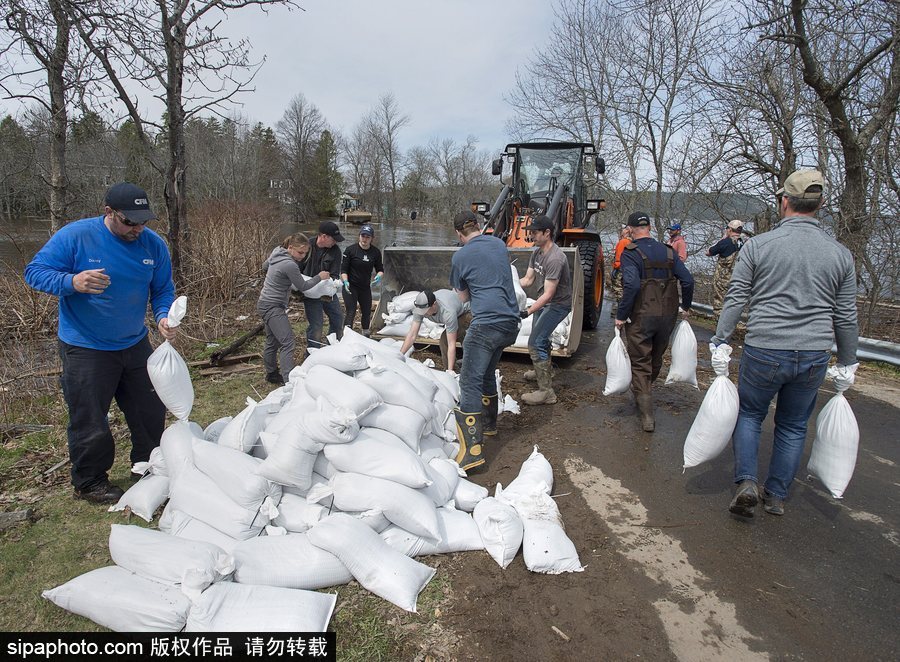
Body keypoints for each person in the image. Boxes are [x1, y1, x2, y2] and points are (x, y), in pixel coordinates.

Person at [711, 169, 858, 518]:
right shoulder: (839, 255)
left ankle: (747, 481)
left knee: (749, 414)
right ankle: (776, 495)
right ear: (820, 204)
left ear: (784, 201)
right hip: (813, 355)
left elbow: (736, 297)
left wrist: (720, 339)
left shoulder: (759, 246)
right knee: (793, 425)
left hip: (765, 349)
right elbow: (845, 315)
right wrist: (848, 360)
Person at [23, 182, 176, 504]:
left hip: (134, 343)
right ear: (109, 212)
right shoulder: (76, 236)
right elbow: (34, 272)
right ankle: (90, 482)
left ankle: (147, 466)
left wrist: (163, 316)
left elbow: (162, 289)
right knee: (90, 417)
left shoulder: (153, 245)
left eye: (143, 221)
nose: (137, 228)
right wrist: (71, 281)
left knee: (149, 409)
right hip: (86, 347)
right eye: (129, 221)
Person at [449, 210, 520, 471]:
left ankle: (472, 451)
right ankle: (489, 425)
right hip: (510, 324)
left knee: (469, 382)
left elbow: (464, 298)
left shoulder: (460, 256)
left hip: (486, 324)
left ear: (459, 233)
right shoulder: (500, 244)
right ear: (479, 226)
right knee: (488, 371)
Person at [616, 211, 694, 432]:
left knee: (640, 361)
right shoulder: (668, 251)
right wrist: (685, 307)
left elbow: (630, 286)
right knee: (656, 356)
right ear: (649, 227)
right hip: (667, 315)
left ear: (630, 229)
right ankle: (646, 391)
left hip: (642, 314)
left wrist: (622, 315)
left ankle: (646, 414)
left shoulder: (631, 252)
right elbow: (687, 280)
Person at [258, 233, 331, 385]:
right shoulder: (289, 264)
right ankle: (289, 381)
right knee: (288, 342)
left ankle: (271, 374)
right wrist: (319, 277)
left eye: (305, 253)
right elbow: (302, 286)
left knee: (273, 341)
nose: (302, 256)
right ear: (290, 247)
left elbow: (265, 266)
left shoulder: (277, 252)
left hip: (264, 302)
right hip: (273, 306)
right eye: (300, 252)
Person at [518, 215, 572, 405]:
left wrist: (528, 311)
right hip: (546, 302)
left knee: (535, 342)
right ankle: (543, 370)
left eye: (534, 232)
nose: (531, 235)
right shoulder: (537, 253)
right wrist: (510, 285)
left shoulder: (555, 258)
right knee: (541, 337)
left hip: (558, 305)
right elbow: (528, 280)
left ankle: (546, 392)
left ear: (547, 233)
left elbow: (549, 294)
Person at [300, 220, 345, 353]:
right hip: (310, 292)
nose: (335, 242)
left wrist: (334, 283)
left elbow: (335, 273)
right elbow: (297, 270)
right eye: (333, 239)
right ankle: (312, 354)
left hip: (327, 292)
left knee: (338, 319)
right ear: (323, 236)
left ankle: (332, 349)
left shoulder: (335, 251)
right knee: (317, 325)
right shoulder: (307, 246)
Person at [400, 289, 469, 371]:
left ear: (434, 304)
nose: (423, 314)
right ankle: (453, 369)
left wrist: (450, 371)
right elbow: (412, 334)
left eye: (425, 311)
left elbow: (451, 344)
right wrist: (400, 355)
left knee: (445, 340)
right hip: (455, 310)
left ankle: (452, 371)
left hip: (467, 312)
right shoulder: (420, 308)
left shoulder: (447, 312)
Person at [341, 224, 384, 337]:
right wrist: (345, 281)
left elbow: (380, 269)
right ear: (359, 236)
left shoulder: (375, 252)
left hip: (365, 287)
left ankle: (365, 334)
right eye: (363, 236)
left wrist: (378, 277)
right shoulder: (350, 250)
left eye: (367, 237)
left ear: (372, 238)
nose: (364, 239)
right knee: (351, 310)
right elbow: (343, 270)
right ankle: (346, 335)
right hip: (350, 286)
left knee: (366, 311)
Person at [707, 220, 746, 317]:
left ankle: (720, 329)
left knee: (720, 305)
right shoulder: (744, 243)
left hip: (722, 280)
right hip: (738, 279)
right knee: (733, 304)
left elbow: (708, 252)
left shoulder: (725, 242)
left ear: (729, 229)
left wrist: (722, 239)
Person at [610, 224, 632, 316]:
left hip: (620, 268)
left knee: (618, 288)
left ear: (627, 231)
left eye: (623, 229)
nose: (621, 231)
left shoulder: (623, 242)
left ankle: (620, 310)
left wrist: (616, 267)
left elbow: (619, 256)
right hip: (627, 268)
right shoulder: (631, 242)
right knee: (624, 288)